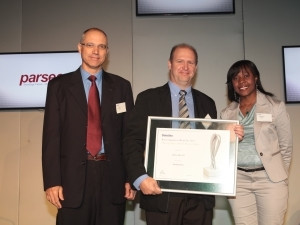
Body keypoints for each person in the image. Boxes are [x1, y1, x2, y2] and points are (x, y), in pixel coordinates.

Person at [42, 27, 136, 225]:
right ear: (80, 48)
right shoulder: (59, 86)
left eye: (102, 46)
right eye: (90, 45)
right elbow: (51, 137)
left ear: (107, 52)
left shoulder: (121, 87)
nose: (96, 51)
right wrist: (52, 181)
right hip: (71, 181)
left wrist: (131, 177)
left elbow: (128, 137)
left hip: (112, 179)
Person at [123, 43, 219, 225]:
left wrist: (228, 135)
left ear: (196, 68)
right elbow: (132, 142)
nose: (185, 67)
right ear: (169, 64)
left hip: (199, 196)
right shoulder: (148, 99)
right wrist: (140, 178)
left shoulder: (208, 103)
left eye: (190, 62)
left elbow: (213, 143)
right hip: (160, 192)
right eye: (180, 61)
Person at [220, 60, 293, 225]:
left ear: (256, 78)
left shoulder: (275, 107)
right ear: (232, 83)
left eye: (246, 76)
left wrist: (280, 176)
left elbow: (286, 147)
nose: (242, 81)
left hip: (270, 180)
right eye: (236, 78)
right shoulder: (226, 113)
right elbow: (223, 150)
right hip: (239, 181)